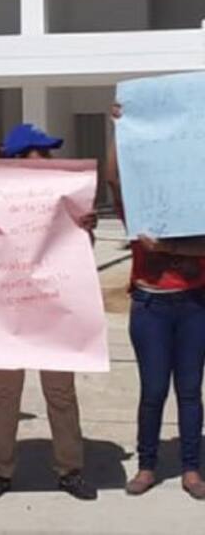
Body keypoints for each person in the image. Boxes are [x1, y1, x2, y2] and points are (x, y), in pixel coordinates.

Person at [0, 123, 98, 501]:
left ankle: (70, 469)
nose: (47, 160)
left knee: (61, 393)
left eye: (48, 153)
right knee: (4, 396)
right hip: (7, 309)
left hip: (52, 307)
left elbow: (78, 252)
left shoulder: (64, 197)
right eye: (39, 153)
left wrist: (84, 229)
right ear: (16, 160)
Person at [107, 104, 205, 500]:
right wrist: (116, 128)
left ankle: (191, 469)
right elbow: (113, 179)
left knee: (189, 390)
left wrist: (167, 246)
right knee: (152, 391)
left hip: (194, 305)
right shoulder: (140, 206)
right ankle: (147, 465)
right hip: (150, 307)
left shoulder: (198, 204)